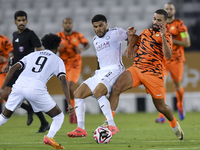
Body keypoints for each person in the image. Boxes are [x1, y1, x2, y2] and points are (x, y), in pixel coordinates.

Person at [109, 9, 184, 140]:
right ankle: (108, 124)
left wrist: (162, 37)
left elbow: (168, 55)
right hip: (137, 69)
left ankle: (174, 124)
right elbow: (133, 50)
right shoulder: (145, 32)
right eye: (154, 19)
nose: (155, 22)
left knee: (161, 107)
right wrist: (130, 39)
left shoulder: (167, 36)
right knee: (116, 88)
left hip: (154, 74)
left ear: (165, 22)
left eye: (159, 20)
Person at [67, 14, 138, 138]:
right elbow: (100, 59)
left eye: (100, 25)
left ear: (106, 24)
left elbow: (135, 37)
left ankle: (112, 125)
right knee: (78, 93)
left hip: (115, 69)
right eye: (95, 27)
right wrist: (97, 74)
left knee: (98, 91)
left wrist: (131, 43)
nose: (98, 29)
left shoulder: (116, 33)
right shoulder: (95, 40)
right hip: (100, 72)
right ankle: (81, 129)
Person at [0, 33, 74, 149]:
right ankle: (49, 137)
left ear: (44, 44)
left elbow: (13, 68)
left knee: (4, 117)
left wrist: (2, 87)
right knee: (58, 116)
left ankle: (45, 128)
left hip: (19, 85)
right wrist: (69, 103)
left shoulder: (32, 55)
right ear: (58, 46)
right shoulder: (58, 60)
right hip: (36, 88)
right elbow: (63, 81)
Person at [0, 10, 49, 132]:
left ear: (26, 21)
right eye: (19, 20)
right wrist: (8, 64)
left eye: (23, 20)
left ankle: (44, 123)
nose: (21, 22)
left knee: (30, 98)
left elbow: (39, 50)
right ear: (15, 21)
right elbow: (16, 54)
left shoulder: (31, 34)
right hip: (15, 69)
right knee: (5, 94)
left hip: (27, 70)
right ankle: (28, 109)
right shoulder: (15, 35)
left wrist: (37, 66)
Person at [155, 3, 191, 123]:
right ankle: (161, 115)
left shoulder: (180, 25)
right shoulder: (160, 25)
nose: (169, 11)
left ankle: (180, 105)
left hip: (176, 59)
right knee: (161, 86)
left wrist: (170, 39)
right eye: (166, 9)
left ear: (174, 10)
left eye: (170, 9)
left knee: (177, 86)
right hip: (163, 60)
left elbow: (187, 43)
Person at [57, 18, 90, 124]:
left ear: (72, 25)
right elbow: (50, 48)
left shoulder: (77, 35)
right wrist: (58, 48)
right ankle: (73, 110)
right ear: (62, 24)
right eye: (65, 23)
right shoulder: (58, 36)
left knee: (70, 86)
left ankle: (73, 112)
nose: (67, 25)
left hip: (75, 65)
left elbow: (87, 45)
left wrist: (81, 50)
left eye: (69, 23)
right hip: (63, 65)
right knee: (66, 88)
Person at [0, 29, 13, 103]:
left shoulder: (4, 40)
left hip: (2, 71)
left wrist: (5, 59)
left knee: (2, 93)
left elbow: (14, 54)